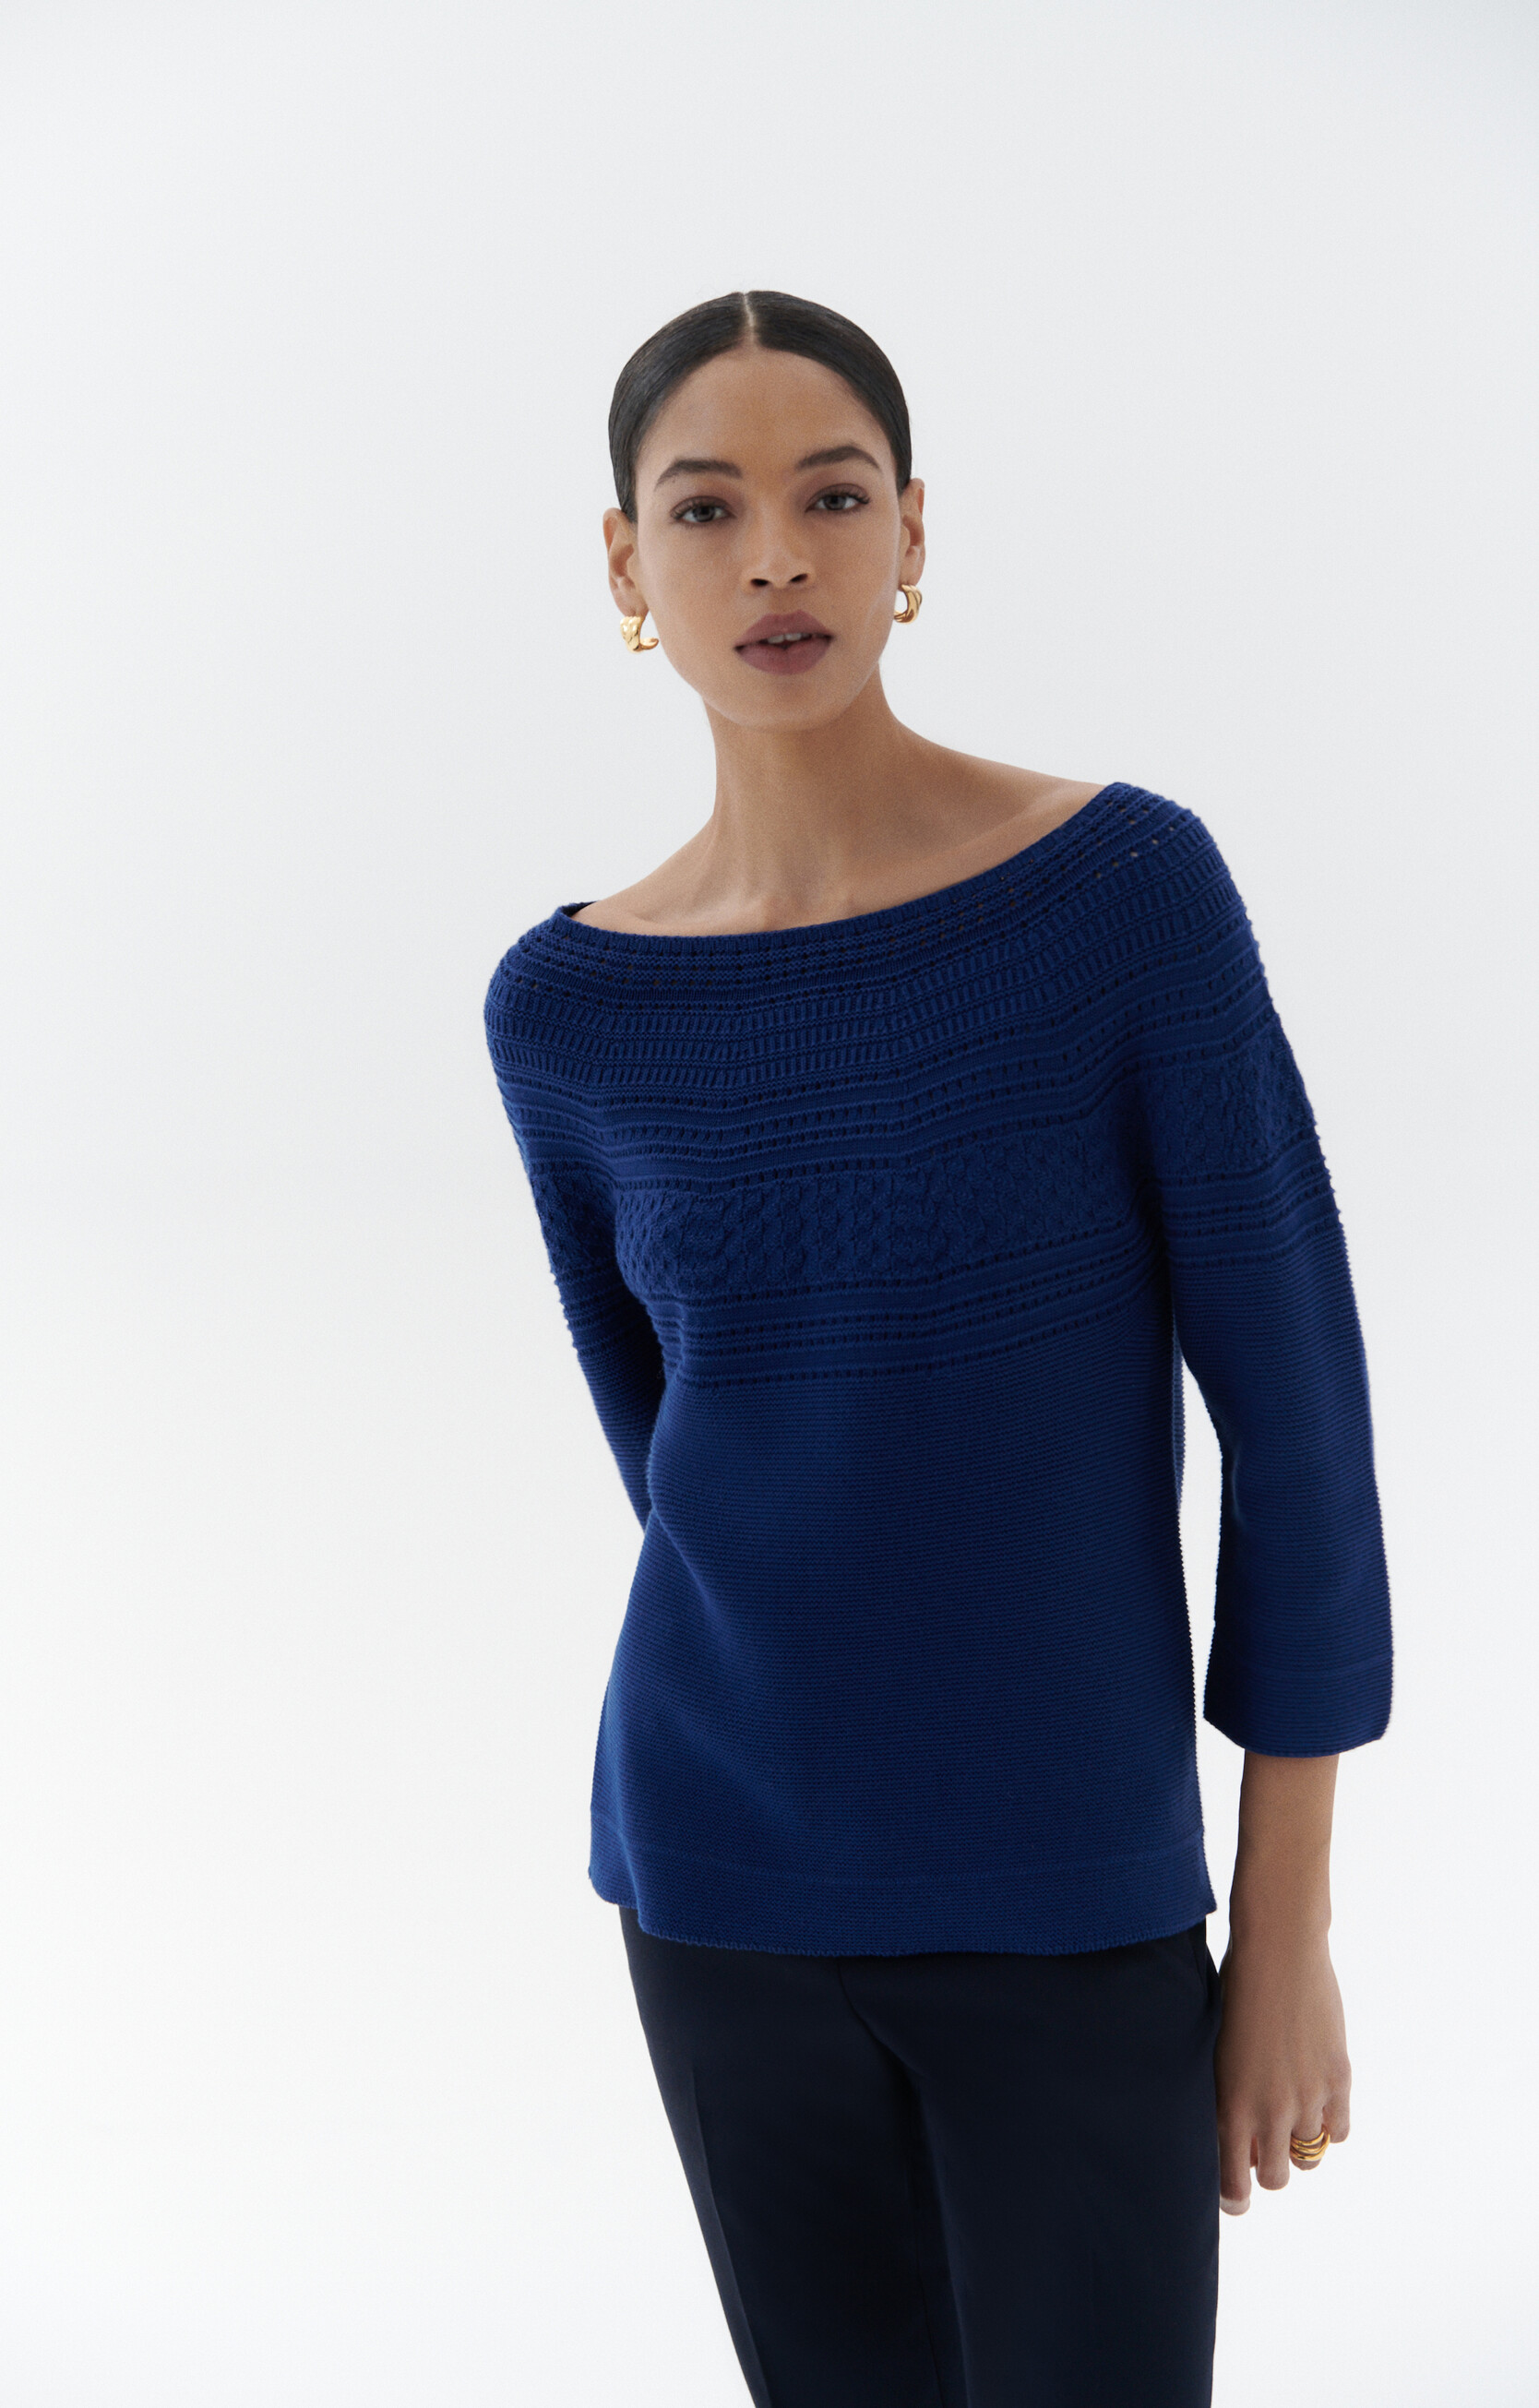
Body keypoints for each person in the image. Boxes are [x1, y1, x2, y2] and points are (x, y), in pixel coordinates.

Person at [483, 290, 1391, 2408]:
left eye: (831, 497)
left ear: (913, 533)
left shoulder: (1123, 900)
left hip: (1069, 1893)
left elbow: (1301, 1432)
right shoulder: (568, 1012)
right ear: (625, 562)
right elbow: (674, 1463)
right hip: (714, 1894)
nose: (773, 559)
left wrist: (1287, 1929)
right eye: (705, 509)